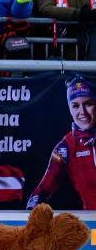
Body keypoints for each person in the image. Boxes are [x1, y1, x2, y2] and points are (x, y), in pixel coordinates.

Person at [27, 76, 96, 210]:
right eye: (75, 106)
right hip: (94, 227)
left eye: (88, 103)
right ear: (69, 108)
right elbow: (41, 191)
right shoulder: (66, 147)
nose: (82, 112)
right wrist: (31, 217)